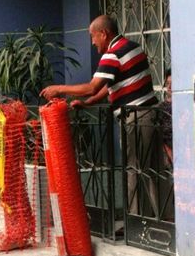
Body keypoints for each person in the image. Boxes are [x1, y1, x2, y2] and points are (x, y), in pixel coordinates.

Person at [41, 16, 168, 221]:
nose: (92, 42)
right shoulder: (133, 47)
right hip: (150, 114)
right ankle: (163, 218)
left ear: (103, 33)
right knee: (153, 169)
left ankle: (136, 222)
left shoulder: (112, 54)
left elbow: (92, 86)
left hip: (135, 117)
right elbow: (113, 85)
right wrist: (90, 102)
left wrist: (59, 89)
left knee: (134, 169)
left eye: (93, 37)